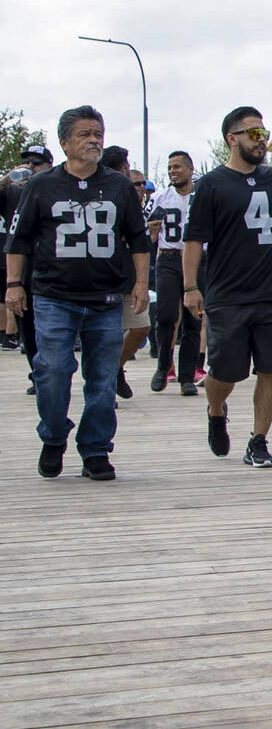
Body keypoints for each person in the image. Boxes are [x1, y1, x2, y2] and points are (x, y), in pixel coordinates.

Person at [4, 106, 150, 481]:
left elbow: (137, 239)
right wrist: (13, 285)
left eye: (98, 133)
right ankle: (53, 437)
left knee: (102, 378)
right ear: (65, 141)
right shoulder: (40, 186)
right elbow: (18, 241)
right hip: (54, 295)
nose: (94, 140)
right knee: (52, 371)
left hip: (105, 298)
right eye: (85, 134)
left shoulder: (118, 186)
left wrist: (139, 284)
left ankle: (96, 450)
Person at [183, 107, 272, 469]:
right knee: (223, 372)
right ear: (232, 138)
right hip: (228, 295)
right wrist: (190, 286)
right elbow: (193, 240)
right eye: (252, 133)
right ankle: (215, 409)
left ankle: (258, 440)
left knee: (270, 369)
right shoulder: (211, 184)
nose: (260, 140)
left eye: (263, 132)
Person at [147, 151, 204, 396]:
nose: (173, 171)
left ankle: (187, 376)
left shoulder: (201, 197)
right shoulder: (160, 197)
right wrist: (150, 230)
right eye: (170, 168)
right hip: (169, 259)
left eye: (178, 167)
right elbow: (144, 227)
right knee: (166, 315)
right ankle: (163, 364)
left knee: (194, 319)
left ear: (191, 169)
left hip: (198, 260)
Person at [99, 145, 151, 402]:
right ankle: (105, 383)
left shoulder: (128, 194)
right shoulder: (105, 193)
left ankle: (116, 367)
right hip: (105, 273)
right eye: (126, 166)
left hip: (129, 272)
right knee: (107, 333)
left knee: (142, 326)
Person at [2, 145, 54, 383]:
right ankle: (38, 374)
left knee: (54, 327)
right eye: (28, 162)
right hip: (25, 267)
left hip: (53, 266)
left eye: (37, 163)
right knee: (29, 326)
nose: (31, 167)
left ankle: (53, 373)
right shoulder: (13, 193)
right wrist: (8, 177)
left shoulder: (56, 189)